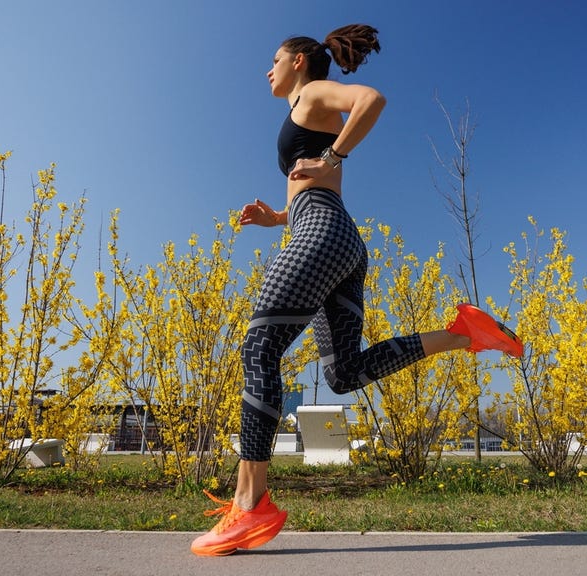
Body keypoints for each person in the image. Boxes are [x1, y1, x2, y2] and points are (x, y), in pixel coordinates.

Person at [190, 24, 522, 557]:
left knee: (258, 348)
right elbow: (311, 181)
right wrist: (278, 217)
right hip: (336, 240)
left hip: (323, 236)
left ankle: (250, 506)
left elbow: (371, 98)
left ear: (300, 61)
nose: (267, 69)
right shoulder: (303, 108)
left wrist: (335, 157)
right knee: (342, 374)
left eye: (274, 59)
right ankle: (466, 334)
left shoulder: (312, 93)